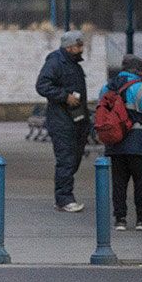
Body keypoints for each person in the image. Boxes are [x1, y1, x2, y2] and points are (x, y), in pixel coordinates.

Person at [100, 55, 142, 231]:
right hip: (139, 142)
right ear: (139, 70)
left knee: (119, 182)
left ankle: (120, 219)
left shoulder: (108, 87)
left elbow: (102, 109)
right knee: (141, 181)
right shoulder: (141, 88)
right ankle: (141, 220)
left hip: (115, 142)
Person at [36, 30, 90, 212]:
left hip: (76, 118)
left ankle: (63, 195)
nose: (82, 48)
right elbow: (42, 85)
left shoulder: (74, 64)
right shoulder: (55, 62)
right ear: (69, 47)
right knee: (66, 159)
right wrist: (65, 97)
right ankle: (65, 198)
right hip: (61, 120)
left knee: (74, 158)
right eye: (79, 45)